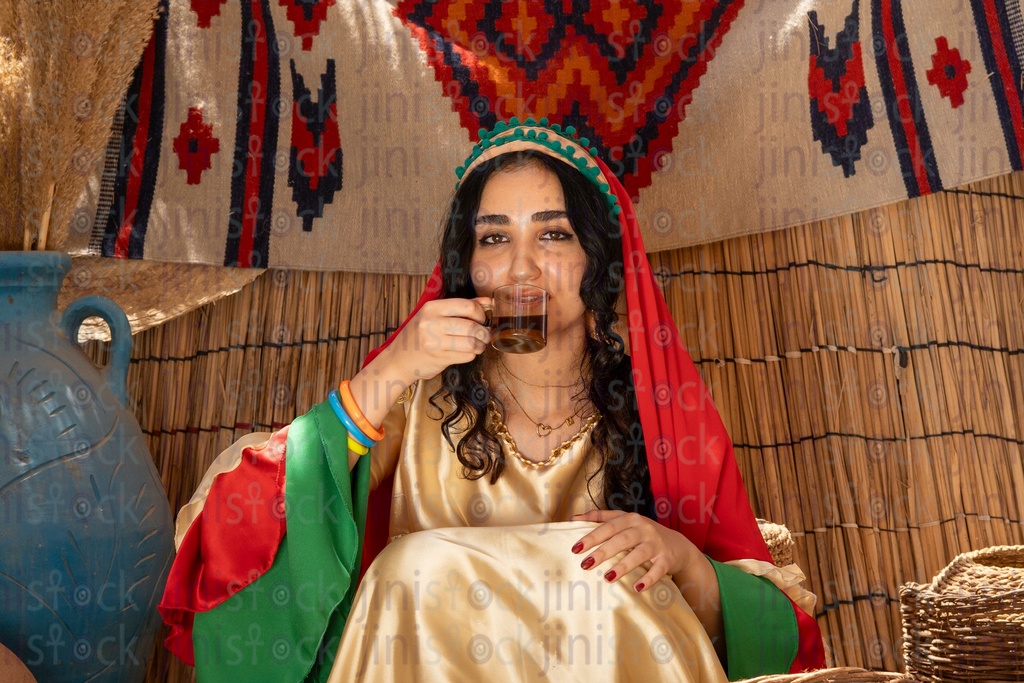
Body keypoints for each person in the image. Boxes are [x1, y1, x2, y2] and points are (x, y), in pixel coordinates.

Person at [159, 118, 825, 682]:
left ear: (598, 258)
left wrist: (679, 560)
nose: (521, 266)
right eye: (495, 236)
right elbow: (247, 525)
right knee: (410, 570)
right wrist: (392, 367)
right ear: (467, 264)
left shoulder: (661, 419)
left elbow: (780, 639)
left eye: (553, 234)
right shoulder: (415, 397)